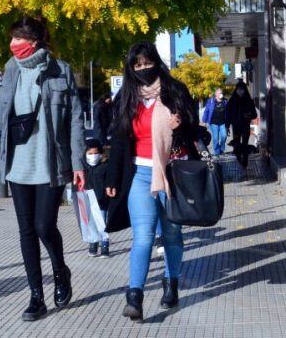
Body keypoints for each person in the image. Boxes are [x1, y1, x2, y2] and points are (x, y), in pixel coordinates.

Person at [0, 17, 85, 322]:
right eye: (11, 39)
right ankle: (36, 297)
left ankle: (61, 271)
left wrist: (78, 163)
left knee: (44, 226)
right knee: (26, 230)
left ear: (34, 41)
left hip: (50, 163)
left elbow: (75, 120)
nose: (13, 45)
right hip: (18, 164)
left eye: (18, 39)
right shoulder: (11, 70)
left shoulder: (60, 70)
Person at [105, 41, 200, 322]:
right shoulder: (127, 96)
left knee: (171, 234)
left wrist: (180, 123)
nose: (143, 69)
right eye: (138, 65)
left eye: (147, 63)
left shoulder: (175, 90)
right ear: (131, 68)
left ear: (156, 62)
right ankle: (135, 295)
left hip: (172, 173)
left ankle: (171, 283)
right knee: (143, 236)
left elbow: (194, 125)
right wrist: (112, 176)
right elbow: (120, 139)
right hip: (139, 174)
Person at [83, 138, 111, 258]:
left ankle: (104, 245)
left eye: (95, 154)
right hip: (89, 200)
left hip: (101, 201)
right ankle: (93, 244)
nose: (93, 156)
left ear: (100, 154)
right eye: (90, 154)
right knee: (91, 223)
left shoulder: (105, 166)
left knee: (102, 224)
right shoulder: (84, 167)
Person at [227, 80, 257, 168]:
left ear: (245, 90)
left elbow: (254, 114)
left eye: (242, 89)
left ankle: (245, 161)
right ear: (236, 90)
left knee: (244, 144)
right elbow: (228, 114)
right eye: (239, 89)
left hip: (245, 125)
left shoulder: (248, 100)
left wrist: (248, 115)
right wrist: (227, 125)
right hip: (236, 126)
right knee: (236, 146)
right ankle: (239, 158)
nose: (240, 91)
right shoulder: (232, 101)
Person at [202, 88, 229, 155]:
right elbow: (206, 111)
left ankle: (221, 149)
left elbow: (228, 112)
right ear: (216, 94)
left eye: (222, 93)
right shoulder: (211, 101)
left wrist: (228, 122)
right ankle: (217, 152)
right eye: (220, 93)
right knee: (216, 138)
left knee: (224, 136)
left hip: (223, 123)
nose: (221, 94)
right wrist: (204, 121)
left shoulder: (225, 101)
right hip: (213, 123)